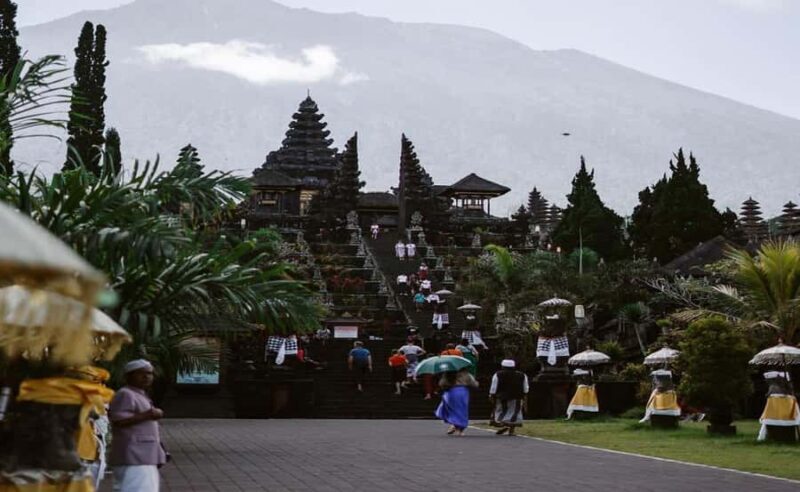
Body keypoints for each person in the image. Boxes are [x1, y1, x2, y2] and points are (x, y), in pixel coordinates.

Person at [109, 359, 167, 491]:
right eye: (141, 373)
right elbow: (118, 421)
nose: (146, 377)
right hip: (134, 455)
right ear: (128, 376)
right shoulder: (125, 394)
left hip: (143, 455)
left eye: (150, 373)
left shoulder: (139, 394)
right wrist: (147, 415)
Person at [489, 359, 529, 436]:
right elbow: (525, 388)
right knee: (514, 414)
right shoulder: (522, 375)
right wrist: (524, 397)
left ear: (502, 366)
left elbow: (493, 387)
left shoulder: (498, 374)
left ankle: (505, 425)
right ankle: (511, 430)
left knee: (500, 413)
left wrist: (491, 395)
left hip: (502, 398)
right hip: (517, 397)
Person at [435, 368, 479, 436]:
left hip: (451, 392)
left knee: (452, 410)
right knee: (462, 410)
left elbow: (441, 383)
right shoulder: (466, 374)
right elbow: (474, 383)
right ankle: (460, 429)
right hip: (462, 392)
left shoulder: (447, 374)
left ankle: (454, 424)